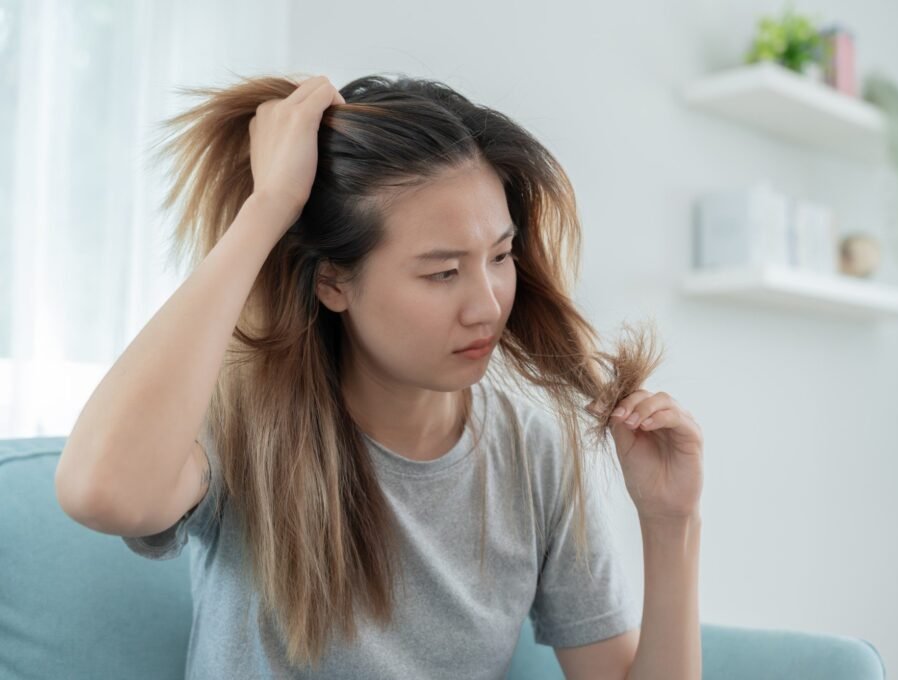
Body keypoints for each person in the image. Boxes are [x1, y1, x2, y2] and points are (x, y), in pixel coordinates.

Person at [55, 73, 696, 679]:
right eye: (442, 272)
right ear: (333, 281)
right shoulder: (245, 426)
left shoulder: (534, 453)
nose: (487, 303)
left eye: (500, 256)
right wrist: (269, 207)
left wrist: (671, 521)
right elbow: (101, 493)